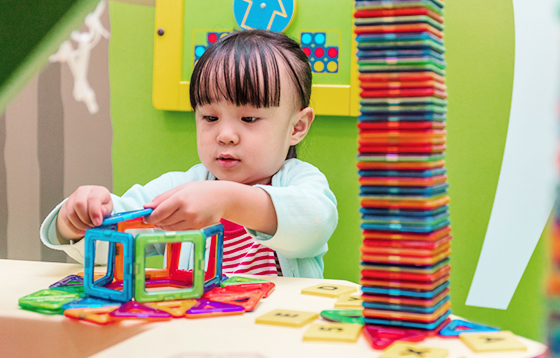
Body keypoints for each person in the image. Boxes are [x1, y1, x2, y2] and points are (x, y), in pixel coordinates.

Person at [39, 30, 338, 279]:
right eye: (210, 118)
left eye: (248, 119)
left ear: (296, 127)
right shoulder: (180, 190)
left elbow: (314, 224)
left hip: (276, 338)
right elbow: (112, 244)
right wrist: (77, 218)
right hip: (197, 333)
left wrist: (226, 199)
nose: (225, 135)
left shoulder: (299, 181)